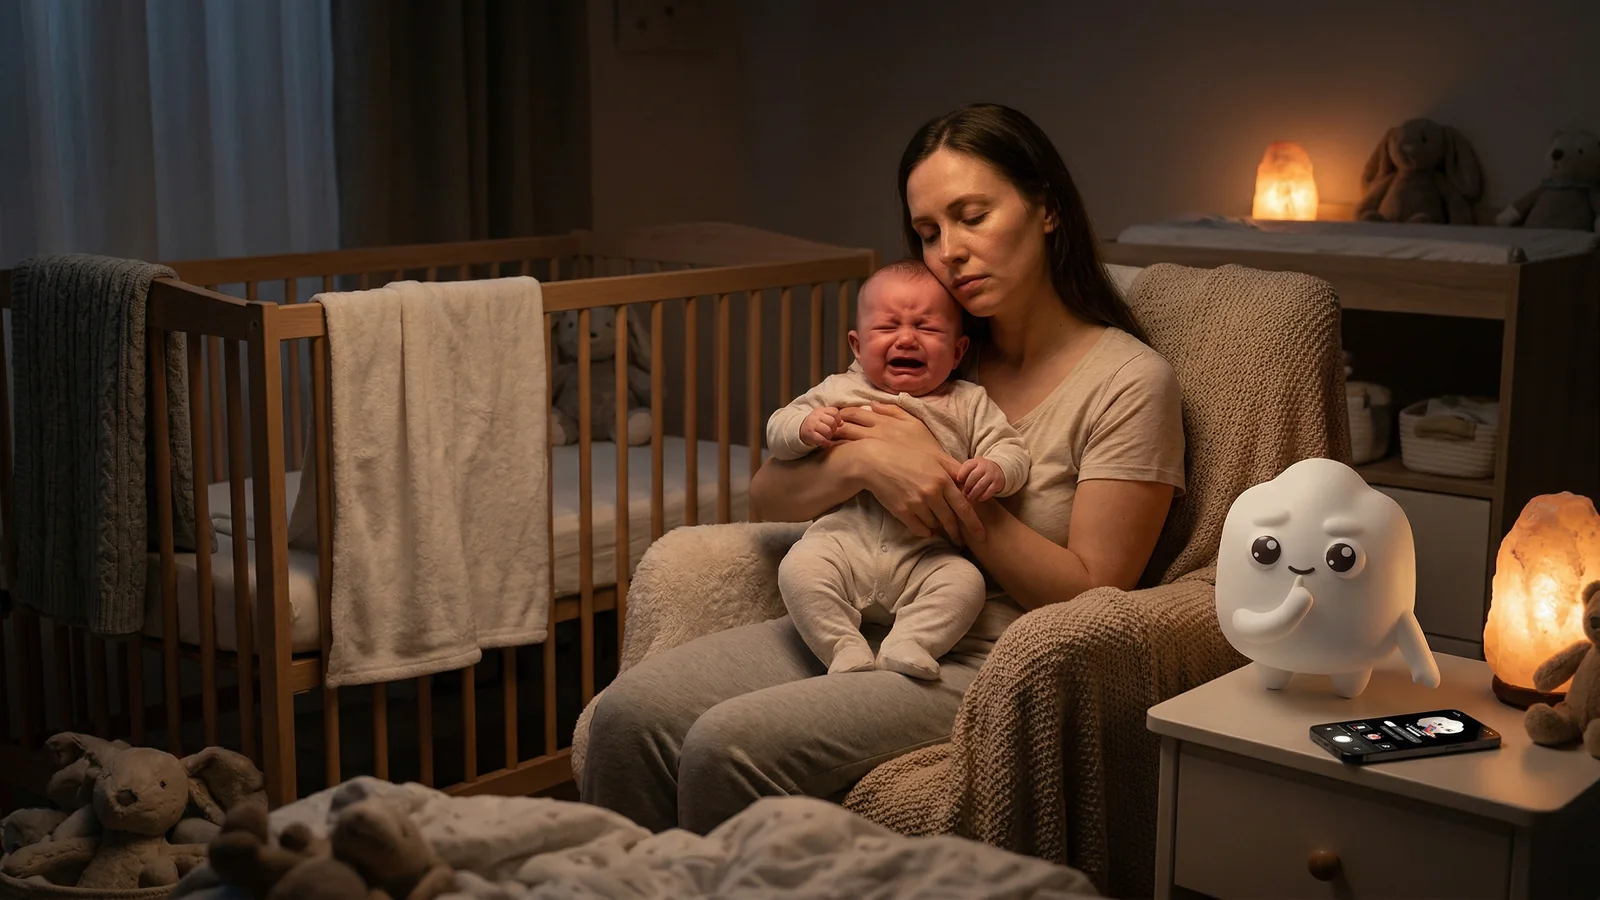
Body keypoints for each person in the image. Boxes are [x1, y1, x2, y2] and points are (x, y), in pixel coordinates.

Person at [579, 102, 1187, 836]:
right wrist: (869, 461)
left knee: (725, 747)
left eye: (972, 216)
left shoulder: (1127, 382)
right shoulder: (926, 348)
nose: (949, 253)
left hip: (986, 657)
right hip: (855, 616)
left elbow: (1096, 595)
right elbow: (769, 494)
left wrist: (940, 482)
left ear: (1047, 208)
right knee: (627, 718)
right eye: (928, 232)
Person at [766, 258, 1030, 680]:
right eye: (888, 327)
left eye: (927, 328)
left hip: (924, 554)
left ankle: (912, 641)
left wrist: (996, 468)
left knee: (965, 583)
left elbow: (1011, 447)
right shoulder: (839, 389)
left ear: (958, 351)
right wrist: (802, 426)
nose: (906, 339)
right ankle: (842, 646)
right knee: (799, 569)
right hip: (842, 543)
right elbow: (777, 428)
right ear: (857, 346)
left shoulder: (968, 402)